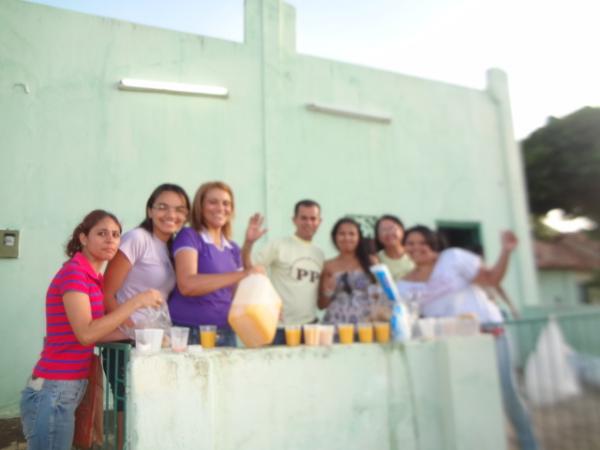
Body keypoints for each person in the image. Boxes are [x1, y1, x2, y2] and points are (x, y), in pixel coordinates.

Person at [20, 210, 163, 450]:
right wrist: (136, 302)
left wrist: (139, 333)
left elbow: (96, 333)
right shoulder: (75, 274)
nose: (110, 239)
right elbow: (86, 333)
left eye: (116, 235)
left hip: (68, 387)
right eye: (102, 233)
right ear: (83, 238)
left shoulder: (93, 279)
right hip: (54, 389)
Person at [396, 225, 538, 450]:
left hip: (487, 331)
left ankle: (529, 444)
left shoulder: (452, 258)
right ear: (404, 248)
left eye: (422, 242)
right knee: (468, 397)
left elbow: (491, 279)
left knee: (507, 392)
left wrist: (506, 251)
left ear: (432, 242)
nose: (416, 248)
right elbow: (408, 317)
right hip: (451, 344)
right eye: (410, 243)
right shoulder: (404, 283)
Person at [102, 183, 190, 449]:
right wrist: (131, 329)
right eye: (162, 207)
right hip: (126, 342)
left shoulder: (170, 249)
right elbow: (107, 292)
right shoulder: (137, 238)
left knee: (151, 409)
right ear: (150, 210)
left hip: (151, 342)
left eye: (178, 209)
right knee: (126, 408)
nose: (170, 214)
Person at [169, 181, 263, 347]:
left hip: (226, 333)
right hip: (191, 332)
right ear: (200, 206)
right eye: (213, 202)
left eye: (226, 203)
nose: (220, 208)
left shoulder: (232, 247)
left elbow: (239, 290)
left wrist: (248, 245)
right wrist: (243, 274)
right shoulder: (189, 236)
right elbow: (187, 284)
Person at [242, 199, 325, 344]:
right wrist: (248, 243)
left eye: (313, 218)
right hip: (279, 329)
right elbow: (249, 268)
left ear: (319, 221)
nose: (308, 223)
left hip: (310, 329)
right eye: (303, 218)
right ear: (294, 220)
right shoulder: (279, 245)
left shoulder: (320, 254)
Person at [318, 217, 379, 325]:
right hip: (336, 322)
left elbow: (383, 295)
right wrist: (328, 292)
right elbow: (321, 305)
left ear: (359, 237)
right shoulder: (328, 265)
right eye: (342, 234)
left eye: (352, 234)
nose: (347, 238)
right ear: (335, 237)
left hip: (366, 323)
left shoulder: (372, 262)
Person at [374, 214, 414, 280]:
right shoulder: (376, 259)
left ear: (402, 231)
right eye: (383, 230)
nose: (388, 233)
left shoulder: (415, 253)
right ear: (378, 236)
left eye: (391, 228)